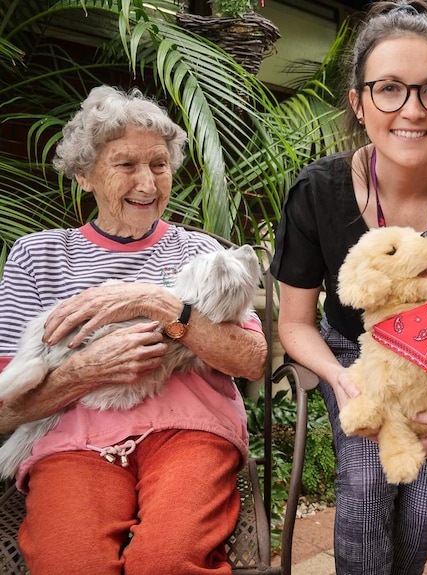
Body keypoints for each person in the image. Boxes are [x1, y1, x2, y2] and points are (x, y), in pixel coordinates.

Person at [269, 1, 427, 573]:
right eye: (389, 89)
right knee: (365, 483)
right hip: (355, 352)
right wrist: (340, 379)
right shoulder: (318, 191)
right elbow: (295, 324)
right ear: (359, 103)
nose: (412, 109)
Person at [0, 85, 268, 575]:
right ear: (84, 175)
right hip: (74, 441)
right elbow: (4, 410)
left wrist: (155, 302)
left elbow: (251, 359)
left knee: (166, 562)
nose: (148, 182)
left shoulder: (201, 253)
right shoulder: (37, 257)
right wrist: (85, 371)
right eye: (125, 165)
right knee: (70, 564)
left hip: (189, 431)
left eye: (159, 164)